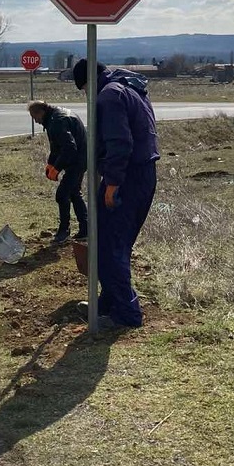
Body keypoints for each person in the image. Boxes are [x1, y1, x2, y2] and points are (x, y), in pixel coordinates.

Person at [72, 59, 159, 329]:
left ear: (87, 82)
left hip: (127, 178)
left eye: (84, 89)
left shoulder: (109, 95)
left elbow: (120, 142)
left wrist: (112, 183)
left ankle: (126, 314)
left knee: (110, 247)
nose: (86, 95)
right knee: (113, 244)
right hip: (142, 174)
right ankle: (109, 302)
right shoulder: (129, 87)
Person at [27, 100, 88, 244]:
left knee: (62, 195)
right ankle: (86, 229)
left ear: (41, 112)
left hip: (77, 160)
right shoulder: (54, 117)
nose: (35, 121)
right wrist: (50, 164)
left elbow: (69, 148)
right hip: (80, 158)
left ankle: (64, 231)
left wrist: (57, 167)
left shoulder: (57, 121)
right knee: (74, 193)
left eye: (35, 117)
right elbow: (56, 147)